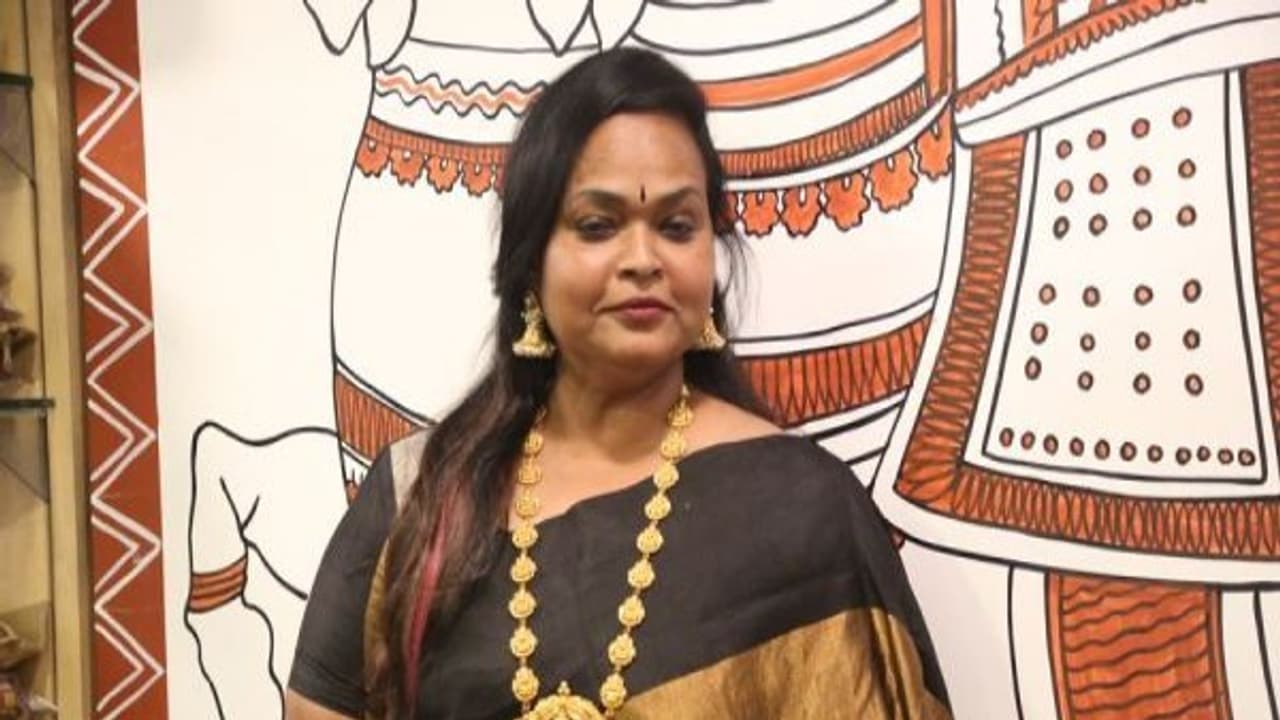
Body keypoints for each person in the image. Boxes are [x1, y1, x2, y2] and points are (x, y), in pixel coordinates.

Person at [285, 47, 951, 720]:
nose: (642, 260)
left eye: (677, 227)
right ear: (531, 263)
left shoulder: (805, 511)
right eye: (597, 226)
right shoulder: (421, 496)